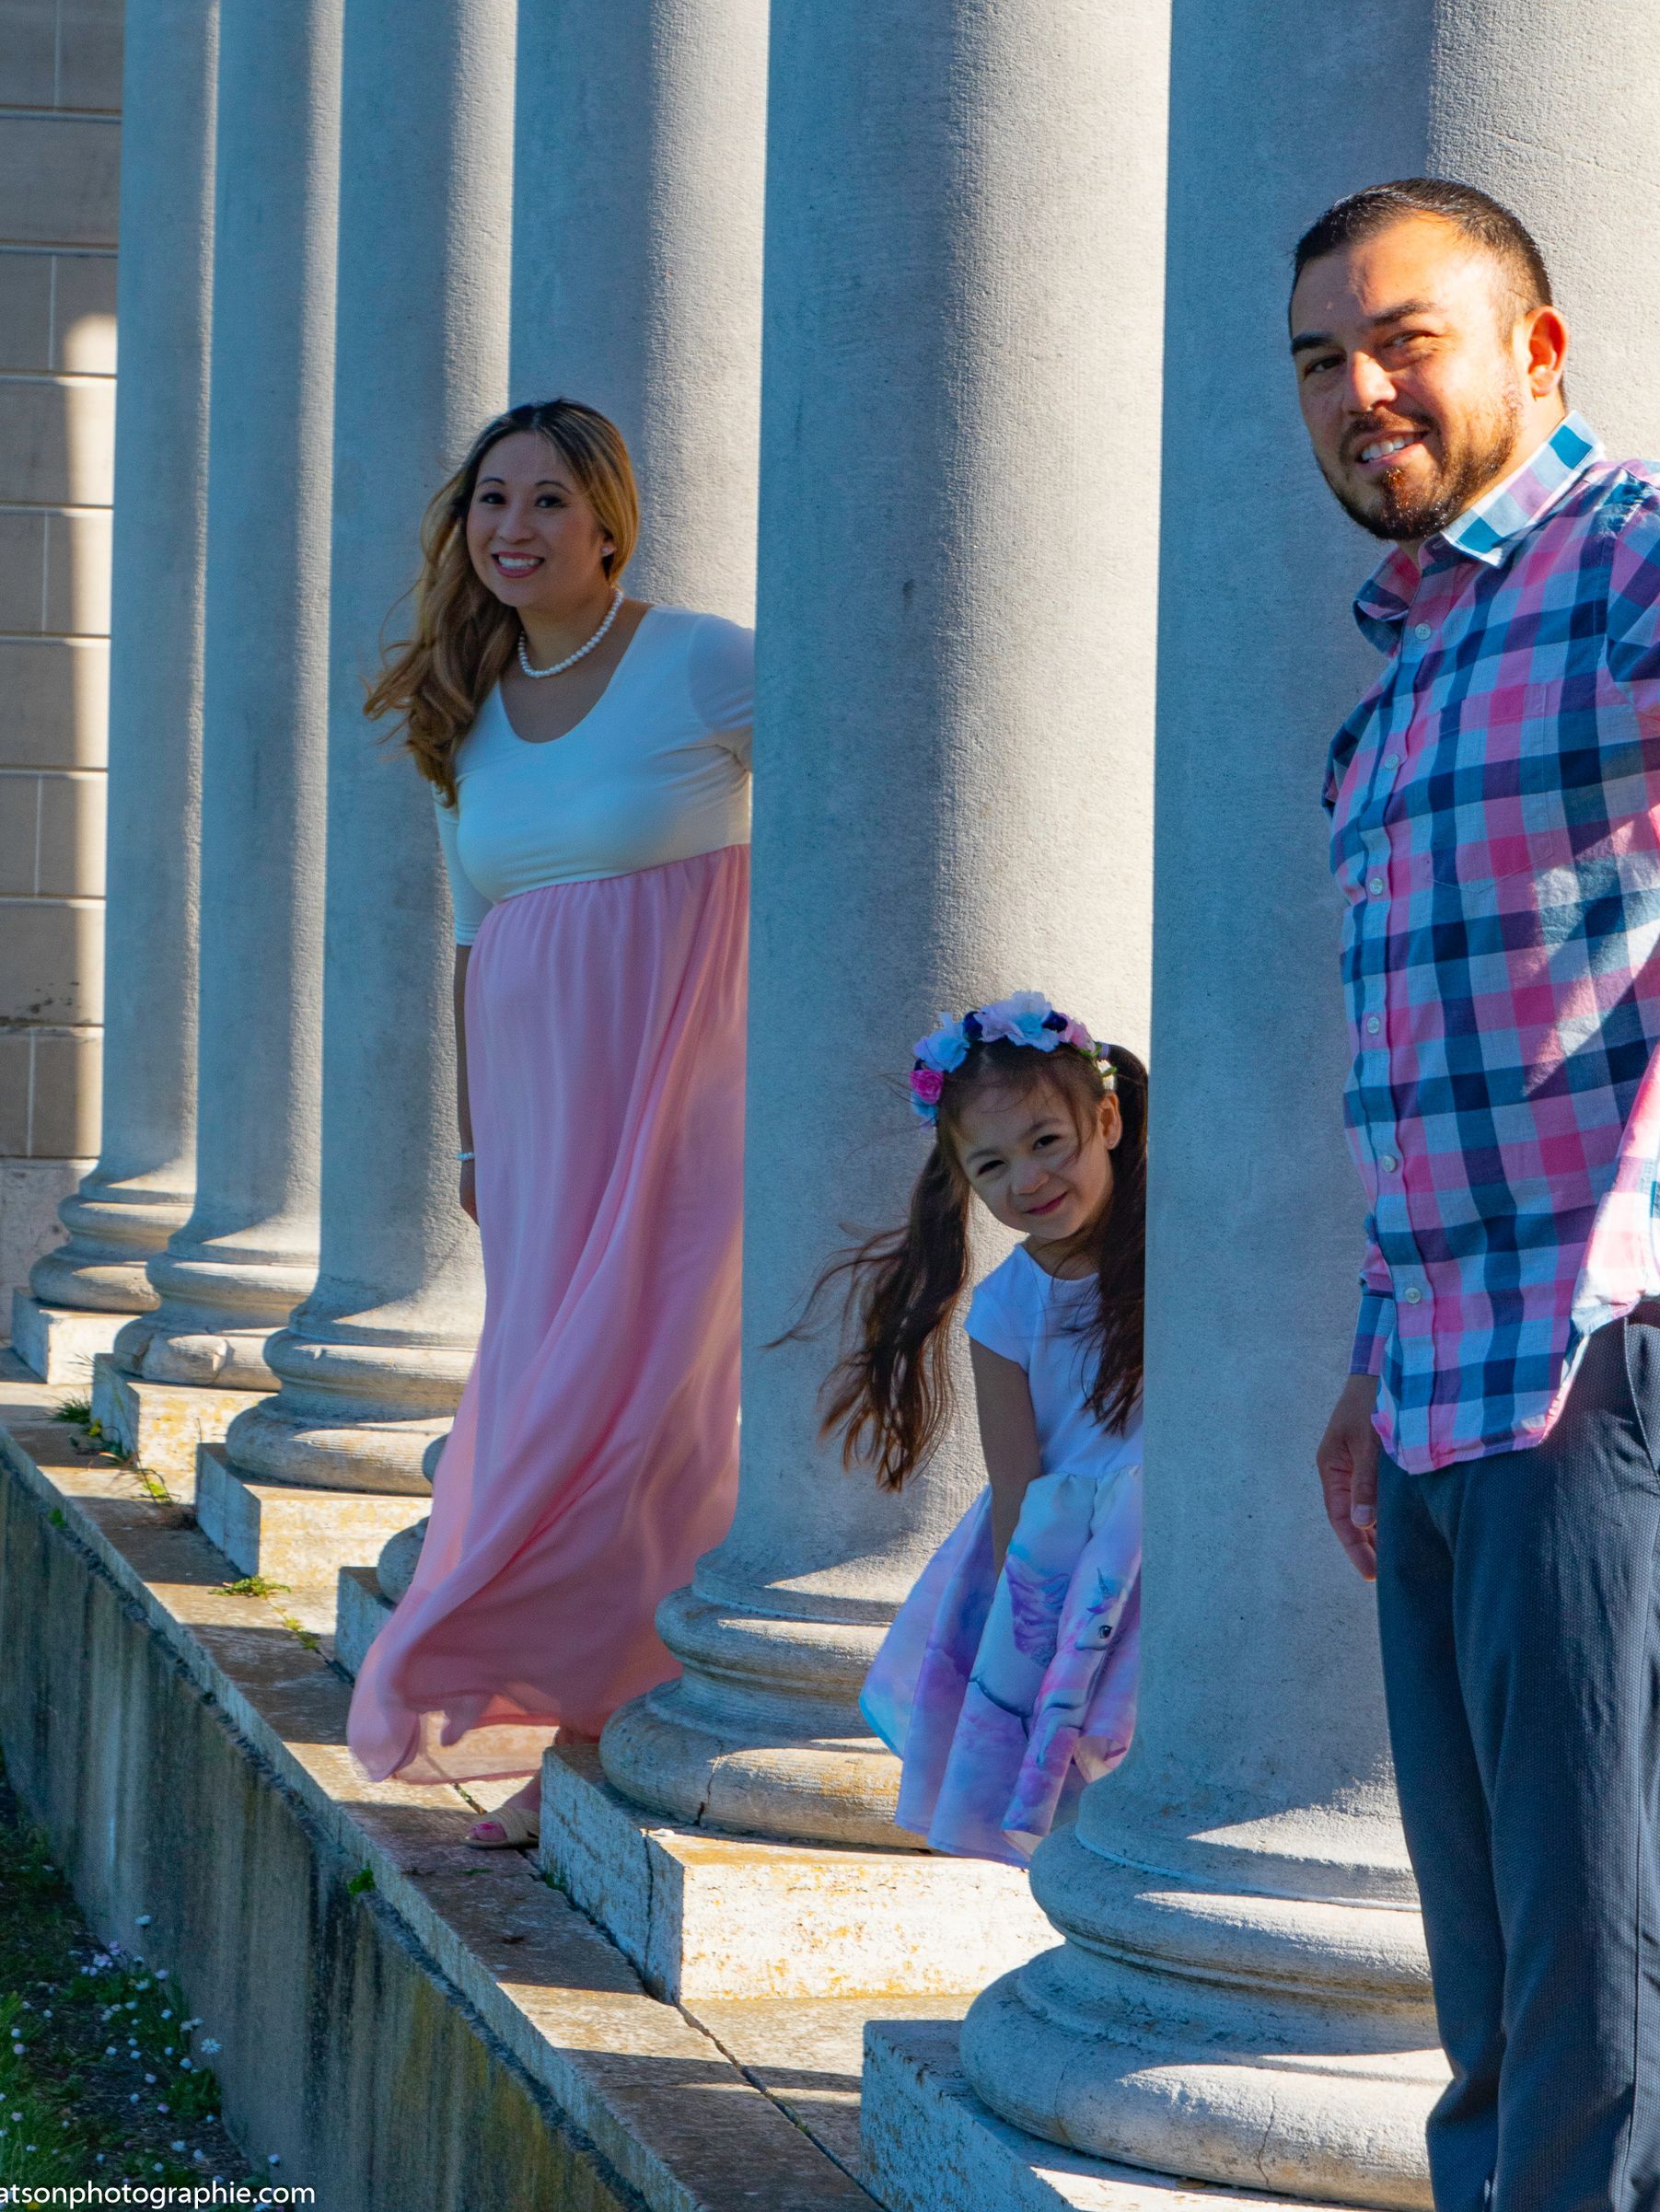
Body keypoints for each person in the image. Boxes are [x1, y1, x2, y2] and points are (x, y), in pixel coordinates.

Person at [1301, 180, 1660, 2206]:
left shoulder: (1631, 560)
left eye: (1404, 341)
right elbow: (1434, 1064)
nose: (1359, 391)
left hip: (1600, 1367)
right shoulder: (1408, 668)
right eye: (1321, 362)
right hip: (1445, 1385)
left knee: (1609, 2011)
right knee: (1504, 2013)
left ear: (1537, 353)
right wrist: (1372, 1360)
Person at [346, 398, 752, 1848]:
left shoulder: (700, 662)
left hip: (683, 1097)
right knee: (546, 1401)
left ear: (609, 525)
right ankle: (571, 1726)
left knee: (648, 1409)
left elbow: (866, 803)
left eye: (547, 501)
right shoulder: (468, 709)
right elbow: (474, 941)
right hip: (534, 1127)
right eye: (491, 501)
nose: (512, 528)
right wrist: (472, 1146)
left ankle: (594, 1712)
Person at [819, 995, 1145, 1865]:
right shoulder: (1003, 1309)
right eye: (992, 1165)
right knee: (1081, 1790)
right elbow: (1016, 1489)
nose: (1027, 1180)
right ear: (963, 1178)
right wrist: (1024, 1641)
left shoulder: (1175, 1251)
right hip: (1076, 1565)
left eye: (1048, 1142)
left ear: (1107, 1120)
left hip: (1167, 1530)